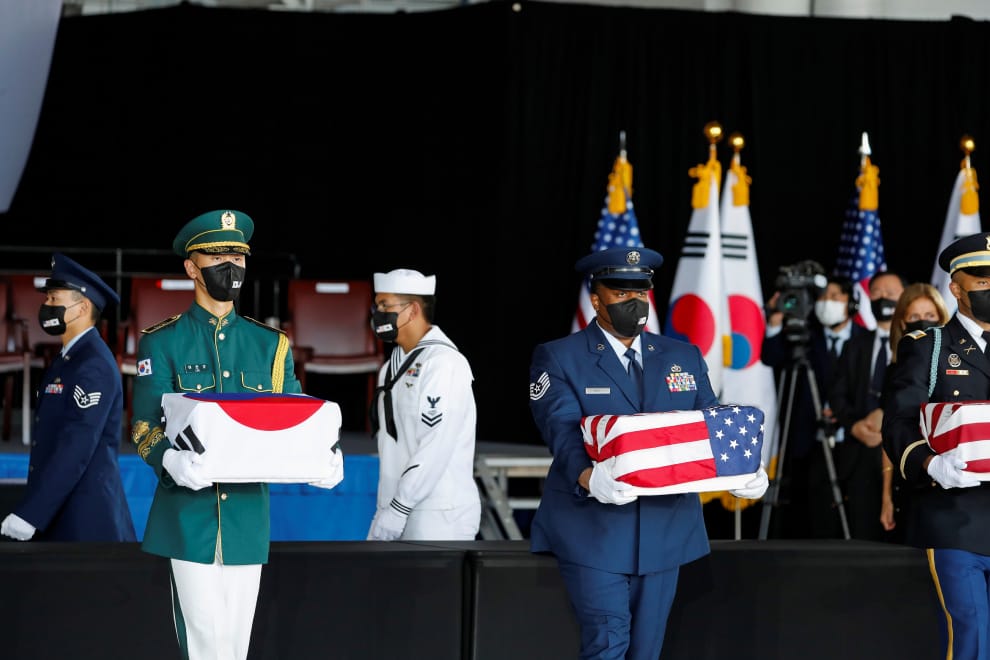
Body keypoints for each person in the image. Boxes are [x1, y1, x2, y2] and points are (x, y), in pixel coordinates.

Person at [527, 246, 767, 660]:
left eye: (640, 292)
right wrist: (588, 476)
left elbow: (708, 421)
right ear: (596, 299)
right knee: (607, 644)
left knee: (646, 651)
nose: (633, 302)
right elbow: (561, 428)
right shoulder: (560, 356)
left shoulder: (682, 356)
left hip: (665, 528)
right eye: (621, 293)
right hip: (594, 529)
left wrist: (741, 467)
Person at [131, 209, 327, 660]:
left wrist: (319, 452)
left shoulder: (270, 344)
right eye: (217, 256)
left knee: (236, 646)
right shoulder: (162, 342)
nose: (230, 266)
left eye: (237, 257)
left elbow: (293, 416)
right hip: (187, 515)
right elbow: (143, 425)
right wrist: (169, 460)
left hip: (246, 516)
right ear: (191, 267)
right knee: (203, 642)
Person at [882, 232, 990, 659]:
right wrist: (930, 464)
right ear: (956, 288)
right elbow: (898, 422)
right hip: (954, 518)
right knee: (973, 634)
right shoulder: (929, 347)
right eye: (982, 281)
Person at [0, 253, 135, 542]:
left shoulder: (93, 364)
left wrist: (32, 514)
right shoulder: (69, 358)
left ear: (82, 307)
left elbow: (77, 445)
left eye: (54, 299)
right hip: (62, 515)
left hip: (86, 523)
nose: (46, 306)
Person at [366, 268, 480, 541]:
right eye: (377, 306)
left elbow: (435, 444)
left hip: (438, 511)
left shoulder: (444, 363)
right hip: (395, 506)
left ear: (413, 310)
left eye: (385, 305)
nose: (378, 313)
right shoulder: (390, 367)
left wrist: (399, 507)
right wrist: (387, 507)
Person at [761, 269, 867, 538]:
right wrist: (775, 320)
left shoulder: (866, 339)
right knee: (812, 512)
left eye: (835, 296)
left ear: (851, 303)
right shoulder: (806, 337)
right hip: (809, 439)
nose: (827, 301)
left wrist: (844, 413)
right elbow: (771, 357)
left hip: (854, 437)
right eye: (823, 296)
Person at [829, 270, 905, 540]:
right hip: (859, 451)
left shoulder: (917, 344)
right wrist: (854, 426)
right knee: (861, 531)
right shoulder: (855, 344)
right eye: (876, 293)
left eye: (890, 293)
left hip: (900, 451)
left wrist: (887, 418)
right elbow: (837, 394)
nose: (883, 297)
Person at [878, 282, 949, 543]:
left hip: (951, 476)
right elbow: (891, 434)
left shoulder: (959, 365)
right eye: (915, 317)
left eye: (930, 316)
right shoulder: (895, 372)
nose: (923, 322)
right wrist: (886, 495)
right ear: (902, 323)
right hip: (911, 475)